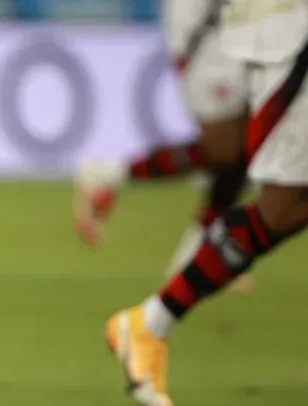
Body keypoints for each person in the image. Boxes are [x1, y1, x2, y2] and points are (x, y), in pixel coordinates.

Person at [104, 0, 308, 406]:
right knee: (281, 205)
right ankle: (151, 321)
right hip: (291, 29)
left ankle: (153, 320)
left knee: (282, 204)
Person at [73, 0, 255, 292]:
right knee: (226, 151)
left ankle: (200, 254)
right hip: (211, 39)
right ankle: (108, 173)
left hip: (239, 36)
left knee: (243, 150)